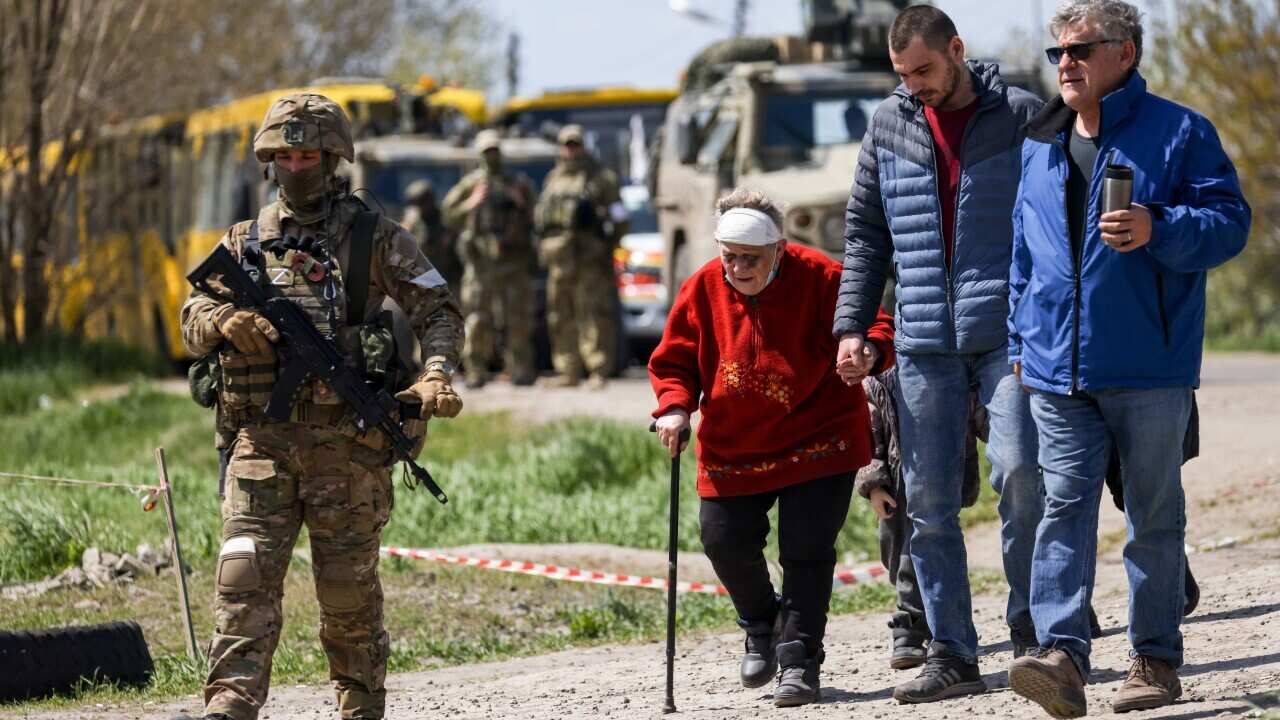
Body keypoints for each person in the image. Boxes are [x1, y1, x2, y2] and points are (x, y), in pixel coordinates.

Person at [177, 93, 465, 720]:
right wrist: (225, 321)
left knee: (347, 595)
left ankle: (359, 704)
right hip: (260, 444)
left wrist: (437, 372)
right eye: (284, 155)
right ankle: (230, 704)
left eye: (308, 154)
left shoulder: (374, 239)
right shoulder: (245, 241)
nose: (296, 166)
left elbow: (438, 311)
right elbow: (190, 316)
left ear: (334, 159)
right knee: (242, 580)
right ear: (267, 161)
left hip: (348, 450)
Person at [1004, 1, 1250, 716]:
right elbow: (1024, 254)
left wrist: (1159, 225)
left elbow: (1229, 225)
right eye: (1057, 54)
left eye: (1079, 50)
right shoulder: (1042, 138)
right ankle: (1061, 656)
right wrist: (1022, 341)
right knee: (1063, 509)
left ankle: (1154, 658)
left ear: (1125, 53)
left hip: (1148, 364)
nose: (1065, 65)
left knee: (1154, 515)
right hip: (1056, 370)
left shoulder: (1179, 132)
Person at [833, 5, 1046, 703]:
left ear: (956, 50)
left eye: (924, 69)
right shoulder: (889, 125)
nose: (914, 85)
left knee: (1020, 474)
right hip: (924, 340)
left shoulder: (1019, 115)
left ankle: (1033, 634)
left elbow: (1056, 213)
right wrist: (852, 328)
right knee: (925, 501)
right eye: (903, 74)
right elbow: (865, 236)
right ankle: (952, 650)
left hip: (1009, 331)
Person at [649, 189, 895, 707]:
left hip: (818, 437)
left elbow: (874, 321)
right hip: (734, 444)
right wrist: (674, 406)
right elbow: (674, 361)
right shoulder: (700, 289)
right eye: (729, 255)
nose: (737, 268)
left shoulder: (821, 276)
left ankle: (800, 660)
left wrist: (867, 351)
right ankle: (763, 624)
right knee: (722, 539)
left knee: (805, 551)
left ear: (779, 249)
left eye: (750, 258)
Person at [858, 370, 986, 670]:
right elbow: (866, 429)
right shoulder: (878, 375)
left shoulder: (952, 366)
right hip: (895, 478)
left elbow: (980, 410)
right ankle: (922, 613)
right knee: (894, 549)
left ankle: (911, 622)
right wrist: (874, 483)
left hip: (939, 473)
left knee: (920, 547)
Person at [441, 129, 537, 387]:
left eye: (495, 151)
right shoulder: (472, 183)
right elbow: (448, 214)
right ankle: (475, 370)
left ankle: (520, 369)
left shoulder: (517, 182)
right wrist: (471, 203)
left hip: (512, 261)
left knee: (517, 317)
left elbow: (536, 216)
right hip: (480, 263)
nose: (491, 157)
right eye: (487, 152)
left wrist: (519, 202)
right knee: (477, 317)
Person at [534, 124, 627, 389]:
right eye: (567, 144)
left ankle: (598, 369)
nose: (571, 150)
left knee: (593, 314)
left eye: (576, 144)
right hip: (559, 259)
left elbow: (620, 217)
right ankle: (568, 370)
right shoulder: (553, 178)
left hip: (589, 259)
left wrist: (607, 241)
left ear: (584, 146)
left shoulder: (601, 179)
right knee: (560, 315)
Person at [401, 178, 463, 291]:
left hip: (446, 276)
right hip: (422, 278)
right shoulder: (413, 221)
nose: (421, 207)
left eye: (422, 202)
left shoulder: (444, 219)